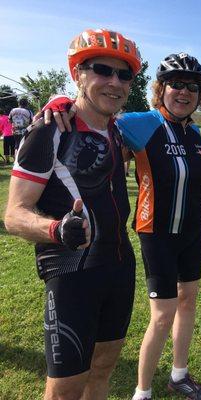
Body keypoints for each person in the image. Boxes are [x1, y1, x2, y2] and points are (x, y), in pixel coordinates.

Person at [41, 52, 201, 400]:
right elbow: (93, 115)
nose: (184, 92)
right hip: (157, 233)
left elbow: (199, 177)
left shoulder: (193, 132)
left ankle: (179, 375)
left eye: (192, 86)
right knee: (163, 315)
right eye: (176, 84)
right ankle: (143, 391)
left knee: (188, 302)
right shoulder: (141, 123)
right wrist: (61, 102)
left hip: (192, 232)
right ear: (160, 89)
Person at [4, 28, 141, 399]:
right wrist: (55, 230)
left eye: (124, 74)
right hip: (71, 272)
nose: (114, 82)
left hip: (118, 265)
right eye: (102, 70)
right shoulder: (48, 132)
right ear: (77, 74)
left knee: (103, 370)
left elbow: (172, 111)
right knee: (64, 389)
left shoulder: (117, 128)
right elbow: (14, 214)